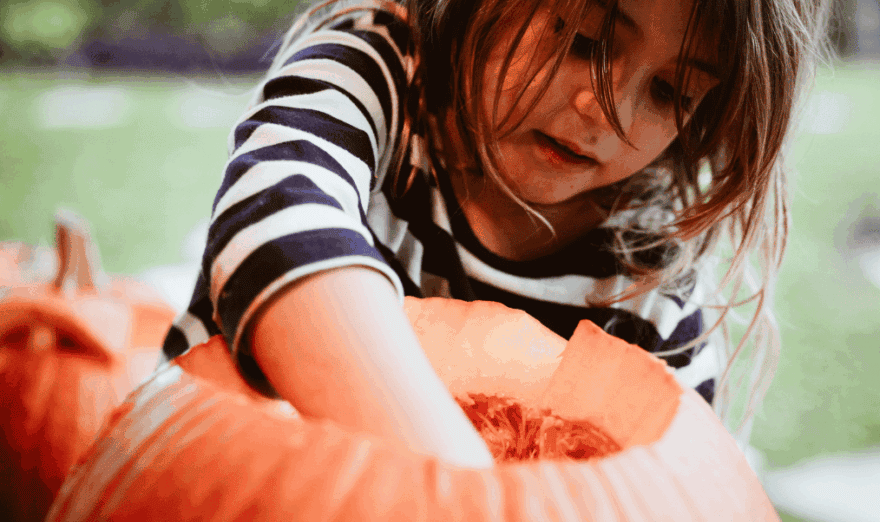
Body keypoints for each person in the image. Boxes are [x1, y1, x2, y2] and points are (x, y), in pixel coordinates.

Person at [160, 0, 833, 467]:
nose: (610, 113)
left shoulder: (653, 293)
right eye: (584, 39)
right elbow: (278, 221)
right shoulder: (374, 76)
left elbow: (667, 512)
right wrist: (464, 497)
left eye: (671, 93)